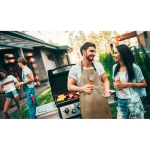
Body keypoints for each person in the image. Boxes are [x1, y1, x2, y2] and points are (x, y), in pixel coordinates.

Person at [68, 42, 112, 119]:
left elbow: (105, 80)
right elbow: (69, 86)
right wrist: (82, 89)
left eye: (94, 51)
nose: (93, 53)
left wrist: (107, 90)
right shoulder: (75, 69)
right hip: (87, 108)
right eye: (91, 51)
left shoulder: (98, 66)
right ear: (83, 52)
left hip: (102, 103)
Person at [112, 44, 147, 119]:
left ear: (123, 54)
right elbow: (113, 81)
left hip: (133, 102)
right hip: (121, 101)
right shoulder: (114, 67)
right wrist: (115, 85)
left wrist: (128, 84)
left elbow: (144, 84)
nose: (113, 55)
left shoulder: (134, 67)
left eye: (115, 53)